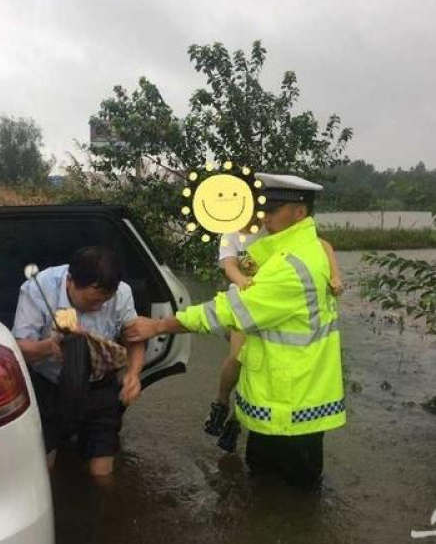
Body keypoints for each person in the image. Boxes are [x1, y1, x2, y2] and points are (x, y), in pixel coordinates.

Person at [125, 174, 345, 489]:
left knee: (290, 490)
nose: (265, 215)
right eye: (263, 208)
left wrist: (159, 324)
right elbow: (235, 267)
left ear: (299, 212)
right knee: (264, 485)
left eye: (274, 209)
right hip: (286, 389)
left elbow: (224, 312)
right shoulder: (292, 248)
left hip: (292, 403)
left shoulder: (291, 266)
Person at [206, 208, 344, 453]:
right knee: (238, 358)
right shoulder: (230, 235)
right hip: (247, 304)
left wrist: (335, 275)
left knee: (258, 371)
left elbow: (323, 245)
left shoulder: (270, 227)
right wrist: (244, 283)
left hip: (275, 306)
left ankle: (236, 424)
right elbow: (229, 266)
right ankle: (220, 402)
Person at [13, 246, 145, 481]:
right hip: (50, 385)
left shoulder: (122, 293)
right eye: (92, 301)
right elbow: (19, 348)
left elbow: (134, 337)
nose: (97, 308)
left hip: (100, 385)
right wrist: (47, 346)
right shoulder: (38, 289)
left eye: (104, 302)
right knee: (44, 469)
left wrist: (134, 374)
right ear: (70, 281)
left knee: (102, 473)